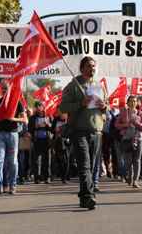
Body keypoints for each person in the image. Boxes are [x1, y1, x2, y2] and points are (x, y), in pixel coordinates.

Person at [59, 56, 107, 210]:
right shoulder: (74, 85)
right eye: (89, 66)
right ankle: (88, 197)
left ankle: (84, 195)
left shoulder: (99, 86)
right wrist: (81, 103)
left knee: (92, 166)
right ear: (82, 68)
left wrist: (104, 107)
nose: (92, 68)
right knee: (84, 164)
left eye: (94, 66)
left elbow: (105, 110)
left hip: (96, 130)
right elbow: (63, 107)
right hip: (79, 130)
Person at [0, 83, 27, 195]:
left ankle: (12, 185)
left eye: (7, 89)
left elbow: (25, 119)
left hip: (13, 135)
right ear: (1, 90)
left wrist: (12, 118)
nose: (5, 91)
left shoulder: (16, 102)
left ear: (10, 90)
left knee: (12, 162)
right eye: (3, 89)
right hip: (0, 134)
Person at [115, 96, 142, 188]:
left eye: (134, 101)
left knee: (137, 160)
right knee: (128, 161)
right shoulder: (123, 113)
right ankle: (129, 177)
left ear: (137, 103)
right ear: (127, 103)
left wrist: (137, 124)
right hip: (127, 139)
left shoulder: (140, 113)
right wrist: (126, 124)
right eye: (131, 101)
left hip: (139, 139)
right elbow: (116, 125)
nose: (133, 103)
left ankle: (135, 181)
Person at [28, 102, 52, 184]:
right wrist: (36, 127)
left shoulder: (48, 116)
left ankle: (47, 177)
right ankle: (37, 178)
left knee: (47, 159)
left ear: (43, 107)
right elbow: (30, 129)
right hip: (37, 140)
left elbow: (52, 129)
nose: (38, 108)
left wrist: (48, 124)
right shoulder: (32, 118)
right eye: (36, 106)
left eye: (40, 106)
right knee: (36, 160)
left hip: (46, 140)